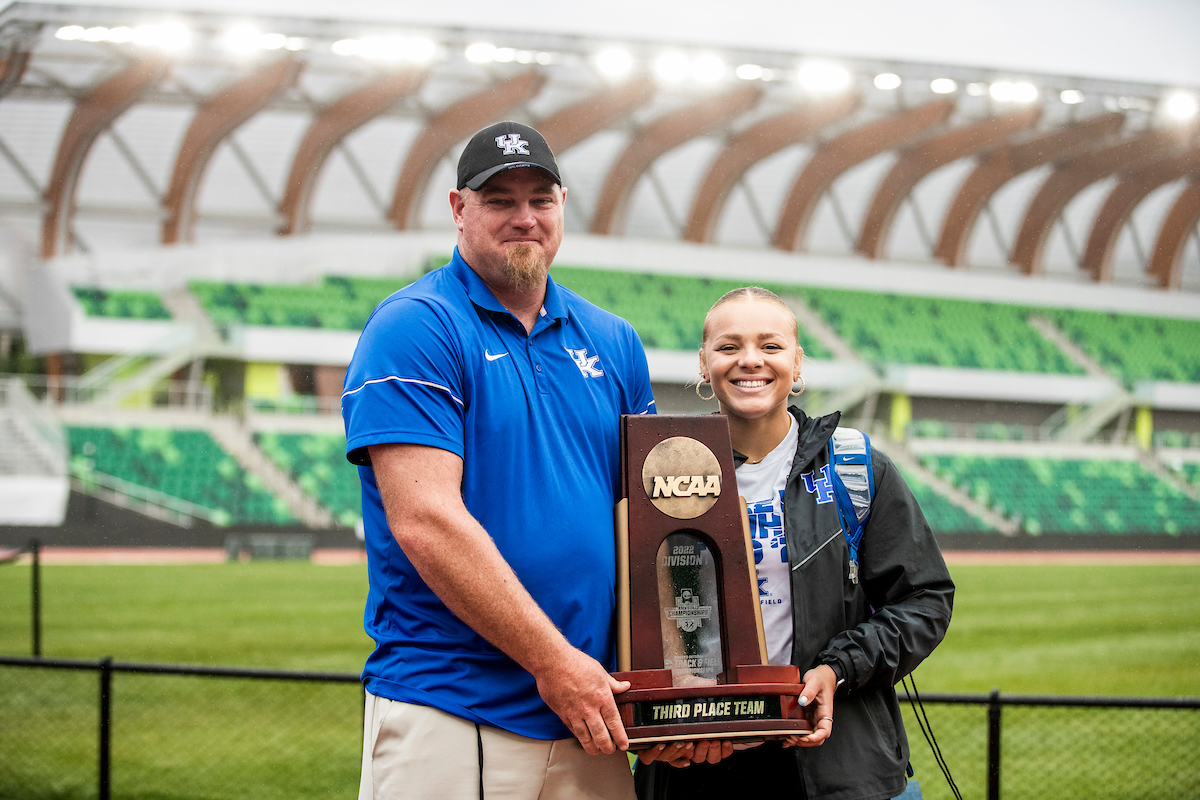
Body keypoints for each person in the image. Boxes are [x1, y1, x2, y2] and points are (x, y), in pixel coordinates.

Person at [342, 120, 655, 800]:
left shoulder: (614, 340)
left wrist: (685, 692)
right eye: (499, 200)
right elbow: (425, 520)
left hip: (588, 713)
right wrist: (553, 663)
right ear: (459, 210)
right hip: (453, 709)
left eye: (540, 199)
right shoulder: (415, 325)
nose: (524, 217)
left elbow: (651, 525)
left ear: (563, 205)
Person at [636, 287, 954, 800]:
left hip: (834, 760)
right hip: (697, 758)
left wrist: (838, 669)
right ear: (703, 363)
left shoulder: (855, 467)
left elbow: (926, 599)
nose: (750, 361)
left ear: (797, 362)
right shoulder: (659, 471)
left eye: (770, 346)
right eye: (728, 347)